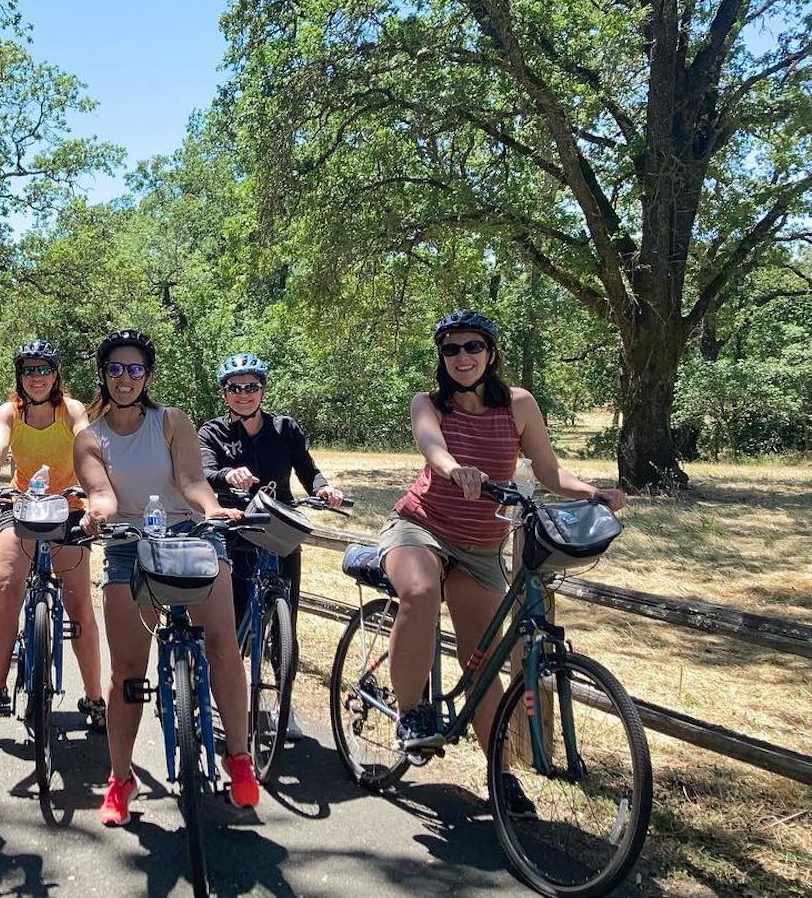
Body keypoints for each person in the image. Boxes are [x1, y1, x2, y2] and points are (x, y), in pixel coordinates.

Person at [380, 310, 627, 816]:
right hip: (421, 526)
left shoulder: (519, 405)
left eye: (473, 347)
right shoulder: (427, 402)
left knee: (484, 662)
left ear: (491, 354)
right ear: (441, 359)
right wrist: (457, 471)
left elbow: (547, 469)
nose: (462, 358)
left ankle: (501, 775)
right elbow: (432, 448)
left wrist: (593, 492)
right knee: (421, 592)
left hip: (482, 545)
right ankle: (410, 715)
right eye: (451, 350)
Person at [72, 329, 261, 825]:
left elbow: (191, 481)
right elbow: (104, 495)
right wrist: (97, 512)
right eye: (116, 369)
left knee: (221, 643)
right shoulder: (91, 438)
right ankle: (119, 779)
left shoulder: (171, 420)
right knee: (127, 670)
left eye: (135, 369)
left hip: (191, 535)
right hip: (127, 545)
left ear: (147, 375)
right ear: (104, 375)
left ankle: (239, 759)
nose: (125, 378)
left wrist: (214, 510)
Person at [198, 352, 344, 740]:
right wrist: (229, 474)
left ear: (263, 389)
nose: (244, 394)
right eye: (235, 388)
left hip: (280, 531)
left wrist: (323, 487)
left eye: (251, 387)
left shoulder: (286, 429)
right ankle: (219, 695)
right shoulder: (211, 432)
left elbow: (308, 469)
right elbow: (204, 472)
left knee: (285, 625)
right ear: (224, 393)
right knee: (226, 622)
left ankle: (284, 704)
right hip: (235, 531)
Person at [0, 339, 106, 731]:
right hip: (22, 508)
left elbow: (87, 441)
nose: (37, 378)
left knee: (79, 605)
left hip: (68, 509)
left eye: (44, 369)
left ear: (56, 374)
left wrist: (96, 485)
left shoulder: (71, 410)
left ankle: (95, 698)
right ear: (20, 376)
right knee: (6, 589)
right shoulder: (9, 412)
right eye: (29, 370)